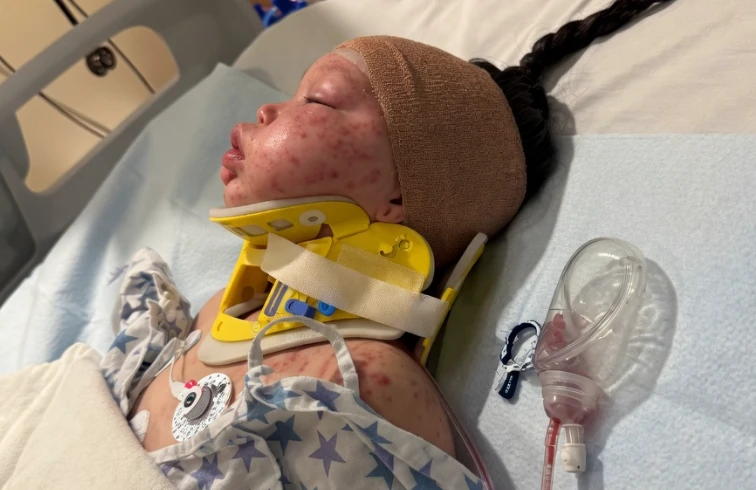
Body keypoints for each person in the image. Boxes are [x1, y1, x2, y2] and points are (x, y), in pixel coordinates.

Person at [98, 0, 673, 487]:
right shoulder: (211, 313)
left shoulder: (362, 383)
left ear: (400, 196)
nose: (267, 110)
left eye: (316, 100)